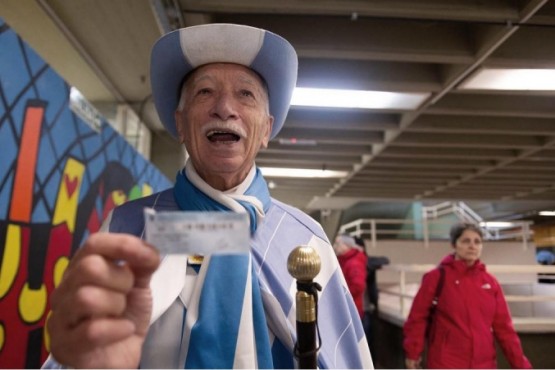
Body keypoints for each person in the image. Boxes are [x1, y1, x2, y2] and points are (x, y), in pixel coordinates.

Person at [42, 24, 373, 369]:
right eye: (204, 92)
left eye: (246, 94)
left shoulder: (305, 240)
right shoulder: (127, 228)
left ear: (266, 129)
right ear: (181, 124)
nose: (225, 108)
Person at [403, 223, 531, 369]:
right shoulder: (436, 277)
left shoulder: (490, 283)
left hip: (484, 364)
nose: (472, 246)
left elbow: (504, 330)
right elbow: (417, 318)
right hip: (446, 362)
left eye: (477, 241)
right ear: (454, 244)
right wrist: (413, 353)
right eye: (466, 241)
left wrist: (521, 365)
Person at [333, 234, 368, 319]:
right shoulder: (344, 260)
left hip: (352, 310)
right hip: (348, 308)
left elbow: (358, 286)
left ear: (346, 245)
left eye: (337, 243)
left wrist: (341, 296)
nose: (334, 246)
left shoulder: (353, 263)